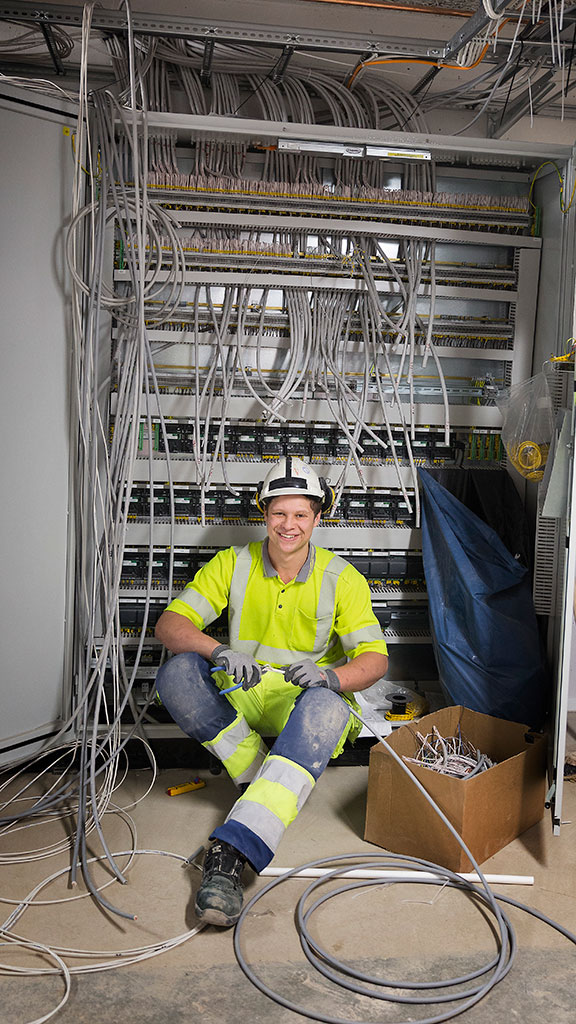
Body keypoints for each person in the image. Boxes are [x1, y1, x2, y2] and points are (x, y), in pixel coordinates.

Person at [154, 456, 388, 927]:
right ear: (264, 512)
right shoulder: (232, 564)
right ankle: (260, 777)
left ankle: (233, 850)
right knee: (178, 672)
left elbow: (375, 659)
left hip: (299, 705)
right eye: (279, 513)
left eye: (301, 514)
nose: (289, 525)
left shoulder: (342, 579)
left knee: (327, 709)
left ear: (318, 517)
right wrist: (217, 651)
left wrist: (332, 678)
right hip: (244, 691)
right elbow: (171, 624)